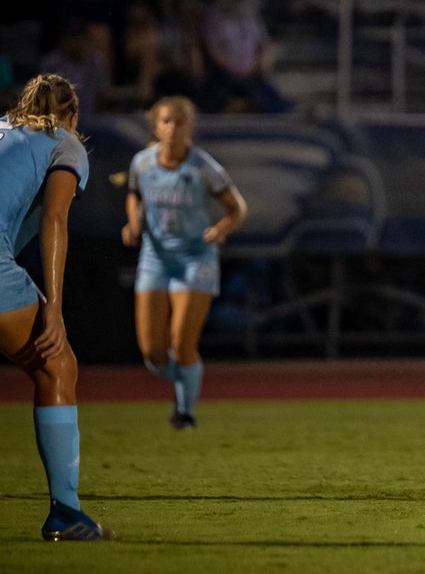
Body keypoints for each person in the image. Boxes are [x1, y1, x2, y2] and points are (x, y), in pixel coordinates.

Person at [1, 74, 114, 540]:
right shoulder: (64, 141)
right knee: (56, 365)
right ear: (73, 114)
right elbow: (54, 217)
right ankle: (66, 514)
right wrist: (54, 309)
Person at [121, 96, 247, 429]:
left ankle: (185, 411)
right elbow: (133, 193)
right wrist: (133, 223)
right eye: (166, 121)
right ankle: (187, 380)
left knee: (181, 343)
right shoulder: (143, 163)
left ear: (191, 127)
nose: (173, 129)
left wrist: (221, 229)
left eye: (180, 122)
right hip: (155, 256)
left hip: (195, 257)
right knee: (153, 352)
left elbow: (237, 208)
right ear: (155, 126)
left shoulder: (202, 167)